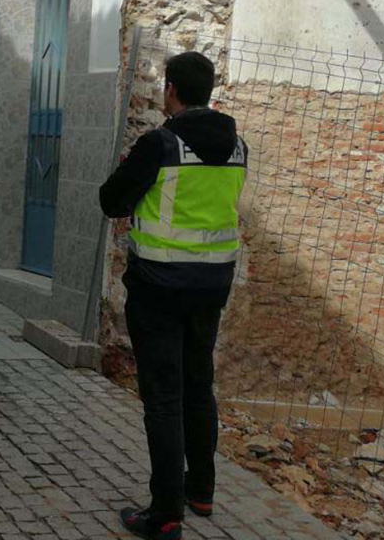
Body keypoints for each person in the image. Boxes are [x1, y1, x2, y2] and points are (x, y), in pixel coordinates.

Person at [99, 52, 247, 540]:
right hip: (211, 287)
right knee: (198, 384)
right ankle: (200, 490)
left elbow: (111, 200)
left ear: (171, 91)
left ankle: (164, 514)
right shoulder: (237, 147)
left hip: (160, 287)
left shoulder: (159, 144)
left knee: (162, 397)